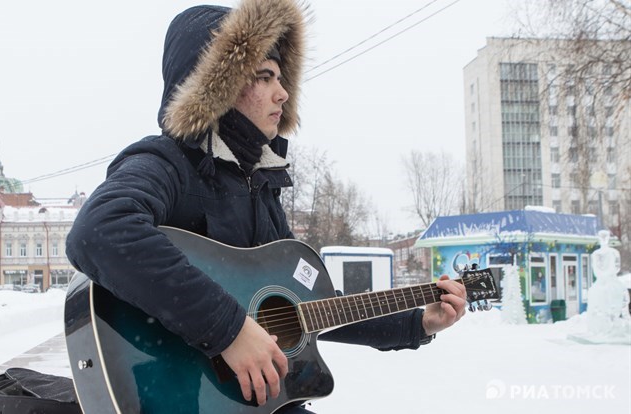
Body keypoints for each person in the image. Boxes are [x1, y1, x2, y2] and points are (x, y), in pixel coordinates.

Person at [65, 0, 467, 412]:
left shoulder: (261, 186)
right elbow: (100, 232)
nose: (283, 92)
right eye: (265, 76)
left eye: (281, 77)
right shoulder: (167, 164)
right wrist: (229, 330)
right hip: (184, 398)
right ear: (216, 85)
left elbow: (306, 305)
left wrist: (417, 322)